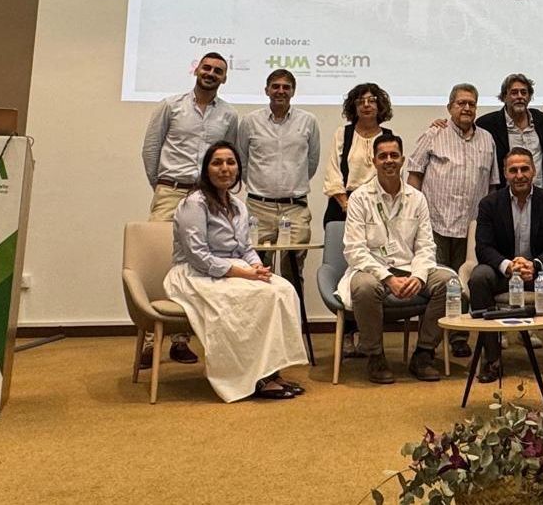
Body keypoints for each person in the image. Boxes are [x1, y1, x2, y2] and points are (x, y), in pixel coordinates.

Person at [162, 141, 307, 402]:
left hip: (234, 269)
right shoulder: (193, 204)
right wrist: (244, 275)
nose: (225, 168)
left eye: (230, 163)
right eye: (217, 163)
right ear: (206, 169)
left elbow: (245, 247)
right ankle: (251, 377)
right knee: (254, 298)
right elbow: (198, 256)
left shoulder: (238, 205)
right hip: (195, 274)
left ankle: (272, 371)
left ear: (238, 169)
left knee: (283, 289)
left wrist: (257, 267)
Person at [140, 51, 240, 366]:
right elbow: (151, 148)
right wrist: (161, 185)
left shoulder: (229, 116)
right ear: (196, 70)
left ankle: (181, 340)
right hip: (171, 191)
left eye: (218, 71)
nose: (211, 73)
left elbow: (228, 156)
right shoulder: (170, 106)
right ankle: (149, 340)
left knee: (197, 264)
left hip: (206, 198)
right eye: (206, 67)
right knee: (159, 262)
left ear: (224, 78)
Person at [337, 132, 454, 384]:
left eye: (394, 155)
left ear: (402, 160)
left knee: (448, 282)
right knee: (364, 287)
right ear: (374, 161)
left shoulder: (417, 198)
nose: (389, 160)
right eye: (383, 156)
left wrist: (419, 276)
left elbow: (425, 246)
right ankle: (375, 356)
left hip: (410, 267)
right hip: (373, 270)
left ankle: (423, 353)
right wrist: (388, 278)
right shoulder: (359, 198)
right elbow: (354, 250)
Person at [468, 148, 543, 383]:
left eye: (524, 169)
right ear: (505, 174)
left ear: (533, 171)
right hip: (504, 273)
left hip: (540, 272)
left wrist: (535, 265)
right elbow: (483, 247)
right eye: (513, 170)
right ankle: (492, 360)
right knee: (479, 276)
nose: (519, 175)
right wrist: (509, 266)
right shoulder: (489, 204)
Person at [407, 82, 499, 359]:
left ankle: (459, 337)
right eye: (461, 103)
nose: (467, 108)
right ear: (450, 107)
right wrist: (412, 218)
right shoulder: (434, 134)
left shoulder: (487, 139)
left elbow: (493, 185)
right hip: (434, 223)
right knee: (435, 286)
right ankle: (429, 344)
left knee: (464, 286)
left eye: (471, 103)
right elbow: (414, 175)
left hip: (471, 228)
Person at [324, 81, 392, 359]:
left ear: (380, 106)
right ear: (353, 105)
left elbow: (390, 173)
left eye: (372, 100)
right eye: (361, 100)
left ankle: (366, 332)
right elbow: (331, 172)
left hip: (377, 209)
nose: (367, 105)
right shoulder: (343, 133)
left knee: (373, 266)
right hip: (343, 206)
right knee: (346, 267)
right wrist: (347, 203)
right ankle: (350, 333)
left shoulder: (388, 136)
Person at [235, 68, 320, 276]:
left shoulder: (308, 121)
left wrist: (290, 185)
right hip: (258, 207)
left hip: (295, 208)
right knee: (256, 268)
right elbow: (242, 161)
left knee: (294, 268)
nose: (280, 91)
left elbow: (312, 162)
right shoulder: (250, 121)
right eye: (275, 87)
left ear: (293, 91)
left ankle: (293, 309)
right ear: (266, 90)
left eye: (286, 87)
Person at [475, 73, 543, 187]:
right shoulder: (487, 124)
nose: (520, 96)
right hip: (506, 197)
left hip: (539, 194)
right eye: (514, 92)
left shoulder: (539, 119)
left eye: (524, 92)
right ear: (504, 97)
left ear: (529, 97)